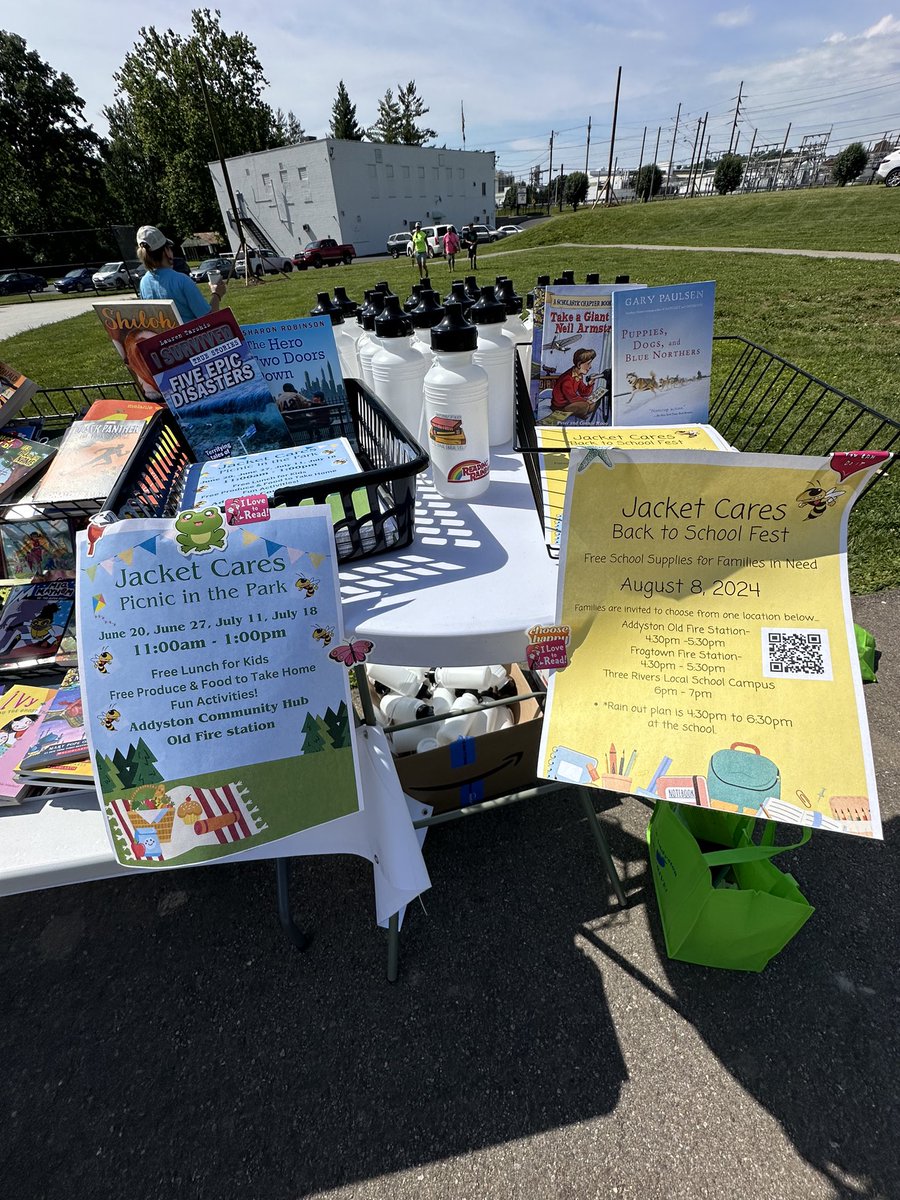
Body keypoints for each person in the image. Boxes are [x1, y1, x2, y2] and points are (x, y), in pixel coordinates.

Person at [136, 225, 225, 320]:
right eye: (169, 248)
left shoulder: (144, 283)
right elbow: (209, 319)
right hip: (191, 334)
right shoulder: (181, 281)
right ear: (166, 251)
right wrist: (216, 294)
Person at [550, 348, 600, 420]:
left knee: (594, 404)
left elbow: (583, 393)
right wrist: (586, 401)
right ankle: (580, 413)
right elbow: (572, 398)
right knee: (585, 405)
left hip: (570, 403)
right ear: (579, 364)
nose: (590, 366)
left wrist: (590, 384)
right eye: (588, 363)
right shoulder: (567, 379)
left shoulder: (578, 376)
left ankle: (580, 413)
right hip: (560, 407)